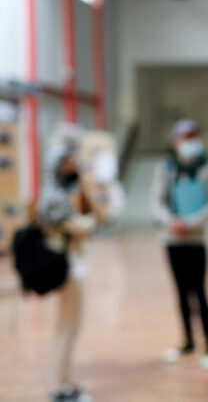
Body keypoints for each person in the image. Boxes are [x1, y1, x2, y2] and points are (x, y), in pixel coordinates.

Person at [151, 119, 208, 370]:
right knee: (181, 292)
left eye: (193, 137)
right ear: (175, 141)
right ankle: (188, 341)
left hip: (196, 240)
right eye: (184, 138)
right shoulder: (167, 168)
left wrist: (192, 222)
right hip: (172, 240)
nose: (189, 142)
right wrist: (170, 221)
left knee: (199, 292)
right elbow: (157, 201)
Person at [37, 125, 104, 402]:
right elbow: (83, 226)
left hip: (74, 264)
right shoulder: (54, 197)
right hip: (67, 270)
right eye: (67, 161)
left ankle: (65, 381)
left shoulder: (65, 192)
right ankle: (57, 389)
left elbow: (93, 219)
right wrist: (88, 220)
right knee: (66, 328)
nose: (72, 164)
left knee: (69, 327)